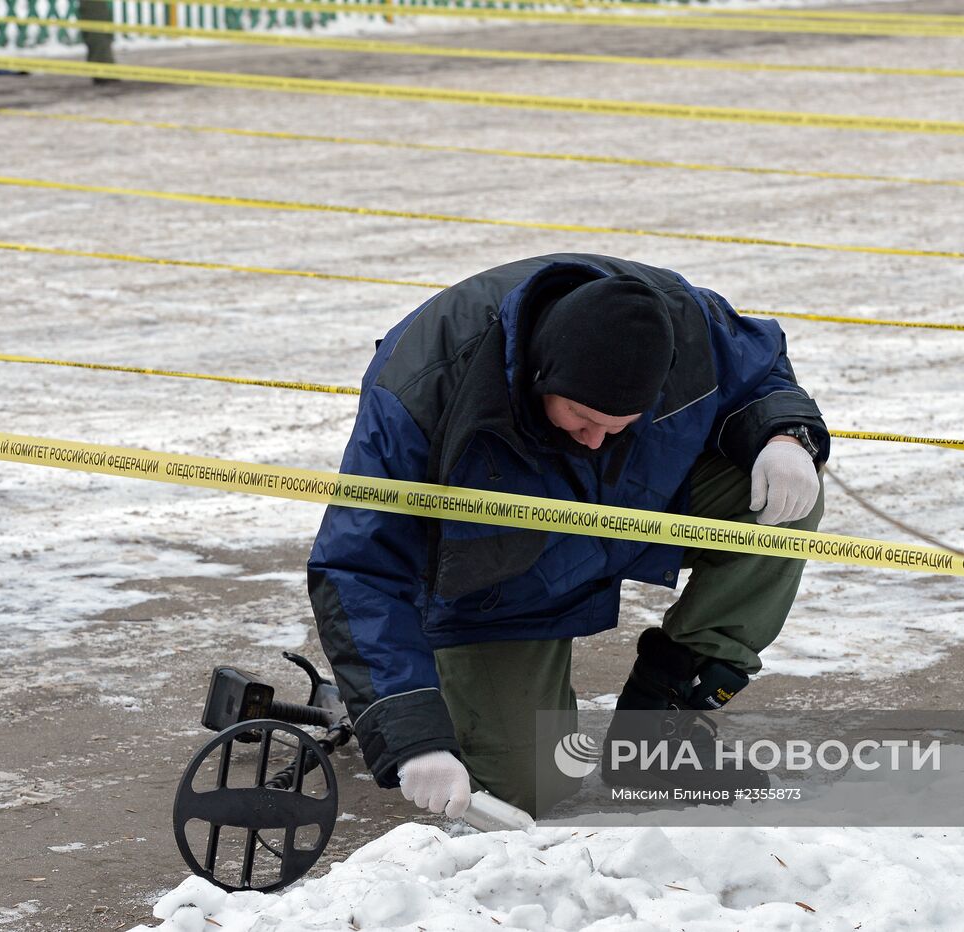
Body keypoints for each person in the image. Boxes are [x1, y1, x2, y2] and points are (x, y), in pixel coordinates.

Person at [307, 253, 828, 819]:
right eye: (582, 417)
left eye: (620, 423)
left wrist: (784, 436)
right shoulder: (421, 388)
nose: (598, 439)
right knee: (530, 788)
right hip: (490, 584)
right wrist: (411, 734)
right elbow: (357, 565)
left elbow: (756, 370)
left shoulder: (681, 323)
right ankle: (406, 704)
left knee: (783, 503)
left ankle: (659, 730)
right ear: (540, 375)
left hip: (628, 508)